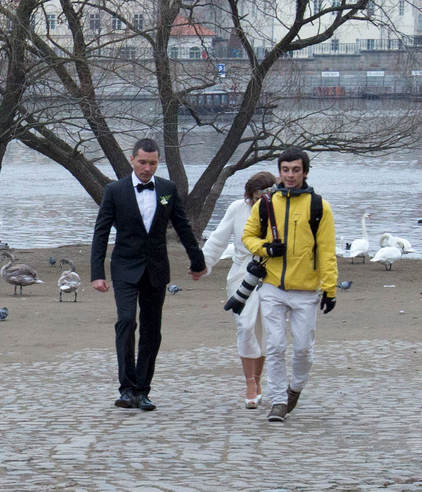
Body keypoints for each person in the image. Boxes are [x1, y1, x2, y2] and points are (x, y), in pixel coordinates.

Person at [89, 137, 208, 411]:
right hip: (124, 268)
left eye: (152, 163)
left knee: (152, 331)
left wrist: (197, 261)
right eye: (142, 162)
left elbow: (182, 226)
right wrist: (97, 273)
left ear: (157, 163)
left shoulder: (167, 188)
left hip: (156, 269)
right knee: (127, 322)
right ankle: (126, 388)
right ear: (132, 160)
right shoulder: (115, 190)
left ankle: (143, 390)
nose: (147, 168)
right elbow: (101, 232)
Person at [240, 148, 338, 423]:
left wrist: (329, 288)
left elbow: (327, 250)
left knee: (304, 348)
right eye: (286, 170)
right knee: (274, 345)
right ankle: (279, 401)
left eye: (296, 170)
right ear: (279, 172)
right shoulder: (266, 204)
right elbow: (248, 236)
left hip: (306, 289)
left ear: (305, 172)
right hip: (271, 286)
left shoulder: (319, 207)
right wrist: (266, 248)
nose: (291, 175)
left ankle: (295, 388)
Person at [202, 170, 280, 408]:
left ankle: (257, 380)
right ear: (250, 196)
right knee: (246, 326)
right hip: (241, 273)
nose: (260, 202)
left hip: (272, 272)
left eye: (264, 198)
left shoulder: (281, 210)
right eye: (256, 198)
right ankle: (249, 382)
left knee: (267, 328)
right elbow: (218, 238)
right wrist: (201, 264)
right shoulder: (237, 208)